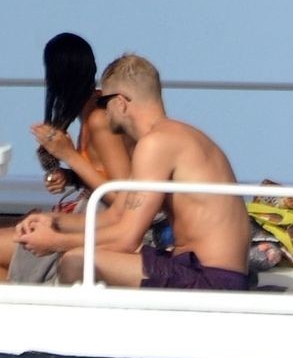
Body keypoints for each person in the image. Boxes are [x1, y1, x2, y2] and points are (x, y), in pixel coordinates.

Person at [14, 54, 252, 290]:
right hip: (195, 268)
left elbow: (127, 239)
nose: (103, 112)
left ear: (121, 102)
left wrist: (55, 242)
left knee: (76, 261)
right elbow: (116, 215)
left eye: (102, 103)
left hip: (212, 279)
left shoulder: (157, 143)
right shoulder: (171, 137)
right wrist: (54, 221)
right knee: (83, 257)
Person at [2, 33, 136, 282]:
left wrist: (70, 156)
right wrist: (70, 176)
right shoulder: (91, 111)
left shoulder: (99, 120)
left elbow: (122, 196)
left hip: (101, 224)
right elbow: (103, 173)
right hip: (89, 217)